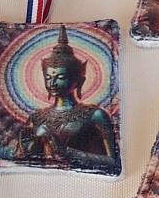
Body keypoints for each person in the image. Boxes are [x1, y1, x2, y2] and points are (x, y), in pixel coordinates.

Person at [16, 26, 117, 172]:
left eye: (60, 77)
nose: (52, 83)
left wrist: (68, 153)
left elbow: (112, 161)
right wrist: (27, 152)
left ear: (79, 81)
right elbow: (22, 163)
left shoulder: (95, 115)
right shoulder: (36, 118)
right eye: (48, 77)